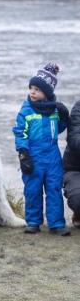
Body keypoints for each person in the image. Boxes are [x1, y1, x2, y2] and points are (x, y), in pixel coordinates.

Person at [13, 63, 70, 236]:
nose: (32, 92)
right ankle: (33, 222)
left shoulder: (53, 110)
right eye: (31, 88)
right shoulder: (26, 110)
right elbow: (19, 132)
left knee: (54, 188)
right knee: (33, 189)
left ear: (47, 92)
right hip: (33, 155)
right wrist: (23, 153)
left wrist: (64, 117)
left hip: (52, 155)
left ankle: (57, 223)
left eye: (37, 89)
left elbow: (57, 129)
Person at [62, 99, 80, 230]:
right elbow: (74, 139)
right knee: (78, 199)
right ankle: (78, 213)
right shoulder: (78, 108)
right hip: (76, 170)